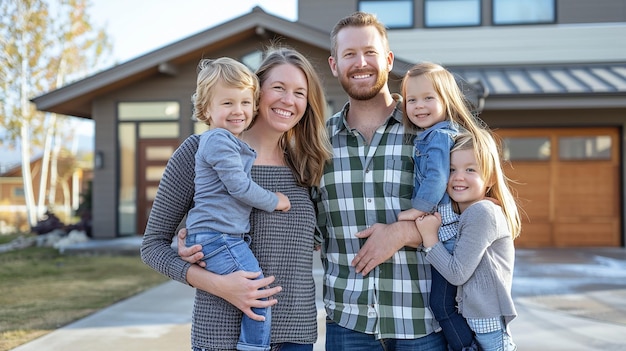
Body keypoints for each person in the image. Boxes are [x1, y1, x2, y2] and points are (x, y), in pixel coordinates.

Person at [141, 47, 332, 351]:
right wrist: (216, 283)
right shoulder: (201, 150)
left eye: (299, 92)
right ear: (257, 93)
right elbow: (152, 247)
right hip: (222, 335)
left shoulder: (307, 163)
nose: (288, 100)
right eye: (278, 88)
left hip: (296, 334)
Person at [315, 11, 446, 350]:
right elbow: (303, 224)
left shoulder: (432, 133)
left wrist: (404, 231)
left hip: (424, 322)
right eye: (349, 54)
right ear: (334, 64)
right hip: (347, 321)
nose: (361, 62)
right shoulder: (316, 142)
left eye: (370, 52)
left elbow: (475, 212)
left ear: (388, 60)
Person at [185, 57, 292, 351]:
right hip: (219, 238)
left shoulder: (228, 142)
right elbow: (239, 187)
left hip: (221, 237)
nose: (238, 111)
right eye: (227, 103)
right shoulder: (218, 140)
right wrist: (276, 201)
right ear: (207, 109)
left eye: (245, 102)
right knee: (258, 293)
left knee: (256, 293)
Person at [396, 62, 486, 351]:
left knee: (442, 305)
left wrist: (418, 209)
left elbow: (436, 176)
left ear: (446, 100)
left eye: (428, 98)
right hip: (445, 228)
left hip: (445, 229)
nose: (418, 106)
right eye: (412, 100)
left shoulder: (438, 137)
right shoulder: (434, 133)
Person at [416, 130, 521, 351]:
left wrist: (429, 238)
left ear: (490, 177)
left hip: (490, 333)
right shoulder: (467, 215)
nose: (458, 177)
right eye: (451, 170)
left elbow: (457, 273)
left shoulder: (482, 212)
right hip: (475, 327)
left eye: (470, 169)